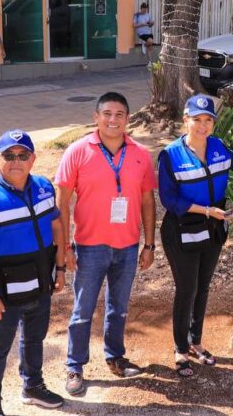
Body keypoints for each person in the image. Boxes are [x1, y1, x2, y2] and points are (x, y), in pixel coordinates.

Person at [55, 91, 157, 396]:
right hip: (89, 246)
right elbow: (62, 202)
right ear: (96, 117)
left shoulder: (140, 153)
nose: (113, 120)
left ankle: (115, 356)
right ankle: (75, 365)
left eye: (120, 115)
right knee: (83, 310)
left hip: (126, 246)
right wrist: (65, 248)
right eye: (107, 114)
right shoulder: (77, 151)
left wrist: (149, 244)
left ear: (128, 119)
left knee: (119, 308)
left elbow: (147, 200)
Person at [0, 130, 66, 416]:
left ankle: (33, 386)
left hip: (40, 282)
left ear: (32, 159)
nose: (16, 161)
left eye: (23, 155)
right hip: (3, 289)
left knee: (35, 339)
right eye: (8, 155)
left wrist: (60, 269)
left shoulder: (44, 186)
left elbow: (57, 226)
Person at [158, 95, 233, 377]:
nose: (202, 125)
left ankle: (196, 342)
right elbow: (168, 198)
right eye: (196, 119)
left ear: (213, 122)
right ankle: (179, 348)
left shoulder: (218, 147)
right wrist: (207, 210)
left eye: (207, 119)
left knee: (203, 286)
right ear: (185, 120)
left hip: (213, 227)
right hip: (183, 228)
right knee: (187, 289)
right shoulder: (171, 155)